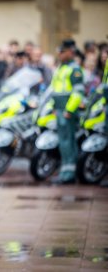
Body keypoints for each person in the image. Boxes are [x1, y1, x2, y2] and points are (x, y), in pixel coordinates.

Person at [50, 39, 85, 184]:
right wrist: (53, 106)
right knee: (63, 142)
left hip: (67, 111)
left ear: (71, 52)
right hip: (59, 110)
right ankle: (65, 170)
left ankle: (70, 173)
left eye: (62, 51)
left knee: (69, 141)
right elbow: (55, 89)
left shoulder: (75, 69)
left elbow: (78, 94)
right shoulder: (61, 68)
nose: (60, 54)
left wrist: (69, 110)